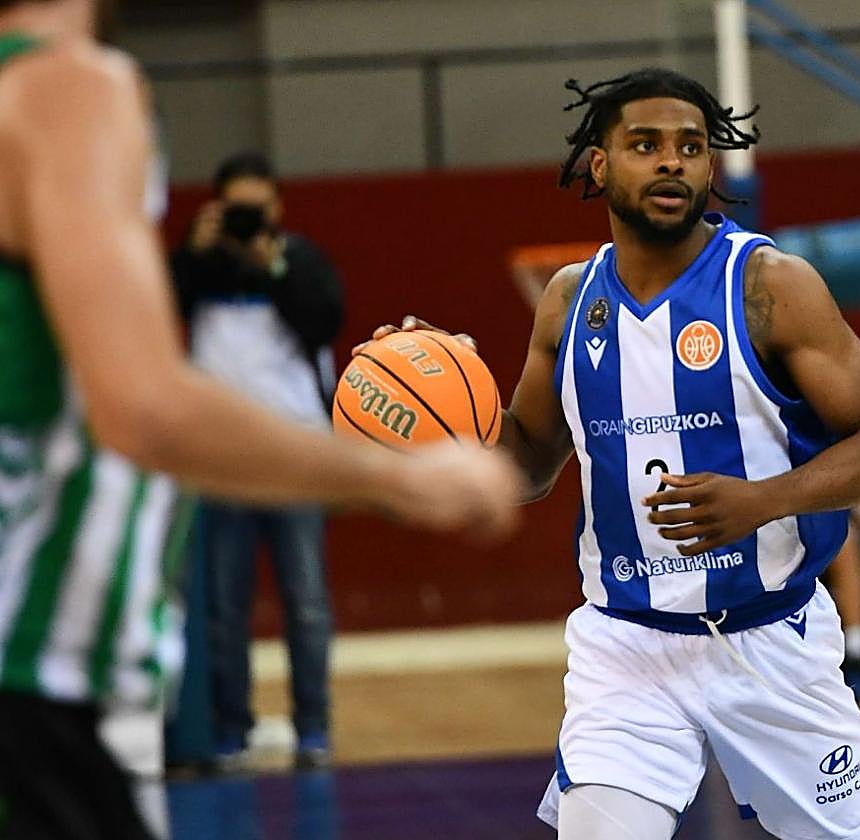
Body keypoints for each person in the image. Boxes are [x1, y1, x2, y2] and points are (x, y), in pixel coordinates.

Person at [0, 2, 520, 838]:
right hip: (29, 679)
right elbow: (144, 405)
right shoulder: (68, 88)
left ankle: (304, 729)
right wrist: (400, 472)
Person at [371, 67, 860, 840]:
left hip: (771, 640)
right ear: (601, 165)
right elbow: (525, 464)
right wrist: (437, 412)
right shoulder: (567, 300)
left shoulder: (769, 286)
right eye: (646, 145)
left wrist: (763, 501)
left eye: (691, 147)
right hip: (626, 646)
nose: (672, 162)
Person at [171, 152, 343, 771]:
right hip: (219, 462)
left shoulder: (298, 260)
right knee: (221, 605)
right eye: (236, 211)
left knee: (306, 600)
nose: (247, 221)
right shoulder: (195, 263)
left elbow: (323, 321)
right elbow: (161, 318)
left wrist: (267, 263)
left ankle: (313, 730)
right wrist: (195, 254)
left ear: (278, 209)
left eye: (257, 210)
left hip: (294, 454)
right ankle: (229, 730)